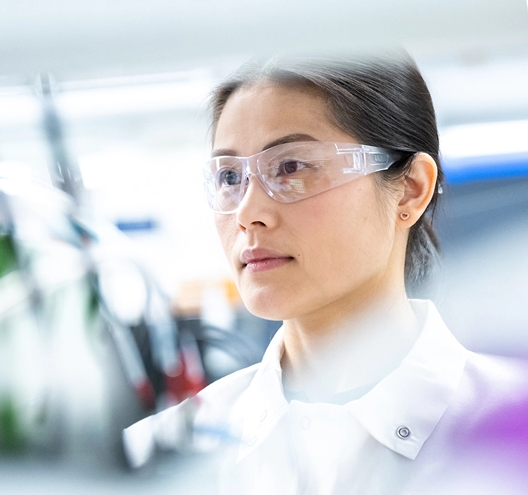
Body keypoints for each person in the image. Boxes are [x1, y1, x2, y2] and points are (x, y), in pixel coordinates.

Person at [123, 53, 528, 494]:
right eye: (229, 177)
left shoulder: (511, 437)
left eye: (292, 167)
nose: (247, 213)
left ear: (410, 190)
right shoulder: (159, 459)